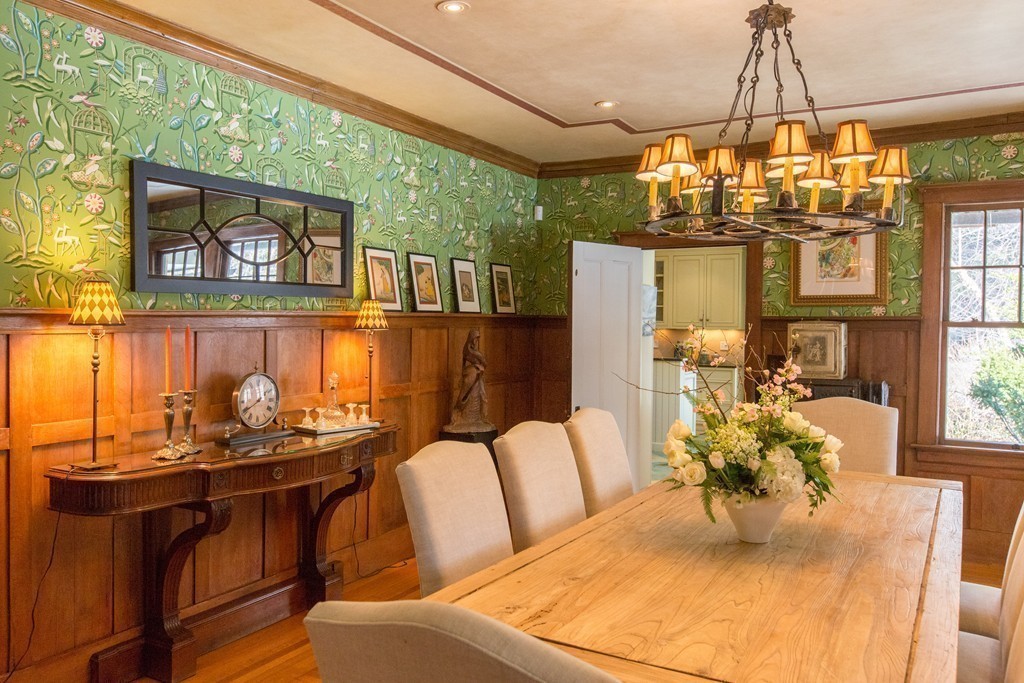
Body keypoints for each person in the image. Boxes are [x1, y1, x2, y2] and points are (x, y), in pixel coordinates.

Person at [445, 330, 495, 433]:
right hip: (471, 374)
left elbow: (484, 363)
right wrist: (465, 373)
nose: (476, 341)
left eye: (477, 339)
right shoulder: (467, 349)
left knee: (480, 396)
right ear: (471, 338)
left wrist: (479, 368)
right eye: (475, 338)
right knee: (464, 396)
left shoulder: (476, 352)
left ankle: (478, 418)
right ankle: (460, 415)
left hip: (477, 374)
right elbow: (463, 363)